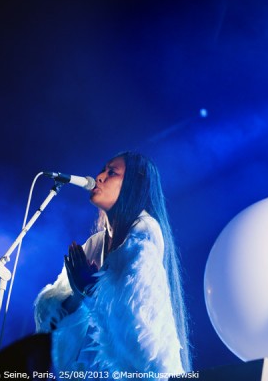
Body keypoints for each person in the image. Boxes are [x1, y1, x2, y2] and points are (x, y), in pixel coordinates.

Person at [33, 151, 191, 378]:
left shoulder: (144, 233)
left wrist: (92, 289)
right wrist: (80, 294)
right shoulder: (95, 244)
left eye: (112, 172)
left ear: (133, 185)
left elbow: (138, 331)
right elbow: (57, 323)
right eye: (102, 169)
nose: (99, 177)